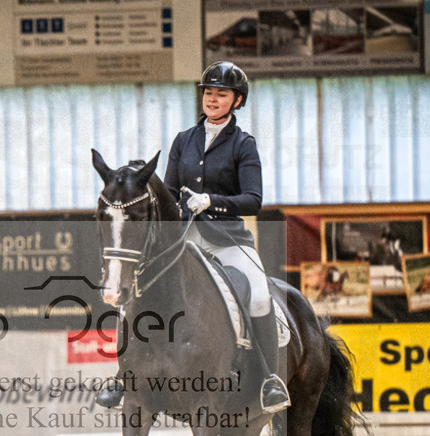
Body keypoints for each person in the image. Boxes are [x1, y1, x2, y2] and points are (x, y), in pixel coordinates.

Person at [96, 60, 290, 414]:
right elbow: (170, 193)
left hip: (228, 240)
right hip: (184, 239)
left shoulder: (243, 144)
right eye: (209, 93)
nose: (212, 99)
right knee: (135, 291)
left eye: (221, 94)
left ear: (237, 101)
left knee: (260, 296)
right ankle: (123, 376)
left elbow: (253, 200)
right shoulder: (184, 140)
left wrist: (212, 201)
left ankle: (269, 380)